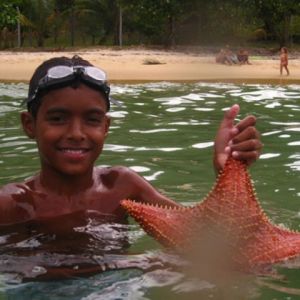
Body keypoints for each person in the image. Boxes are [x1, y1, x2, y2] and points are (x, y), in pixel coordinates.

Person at [0, 55, 263, 226]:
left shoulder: (121, 185)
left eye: (92, 120)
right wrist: (147, 263)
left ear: (106, 126)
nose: (76, 133)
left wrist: (226, 172)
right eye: (58, 119)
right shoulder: (14, 203)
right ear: (29, 125)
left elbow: (198, 230)